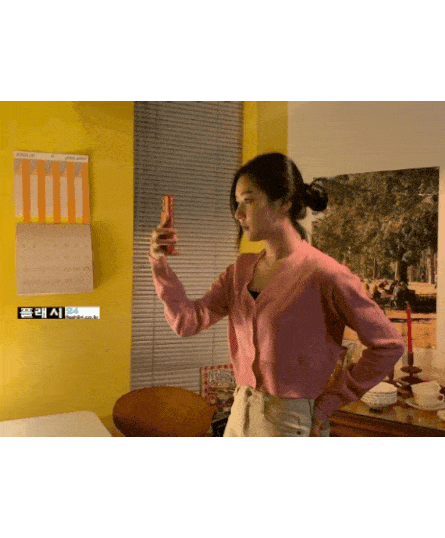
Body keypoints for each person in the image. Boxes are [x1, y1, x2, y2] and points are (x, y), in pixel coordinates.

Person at [148, 152, 405, 437]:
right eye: (237, 203)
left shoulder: (325, 274)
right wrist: (159, 263)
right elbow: (186, 322)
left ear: (284, 202)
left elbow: (388, 345)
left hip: (291, 423)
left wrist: (329, 403)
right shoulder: (239, 272)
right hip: (239, 413)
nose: (238, 213)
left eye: (248, 200)